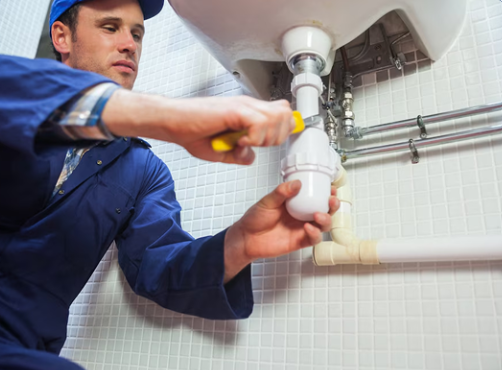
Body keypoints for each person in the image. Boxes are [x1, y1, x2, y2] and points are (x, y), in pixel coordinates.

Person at [0, 0, 339, 368]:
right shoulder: (17, 98)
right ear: (62, 36)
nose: (130, 44)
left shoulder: (142, 169)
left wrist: (240, 243)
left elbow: (158, 265)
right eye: (110, 27)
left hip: (20, 345)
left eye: (137, 33)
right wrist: (169, 117)